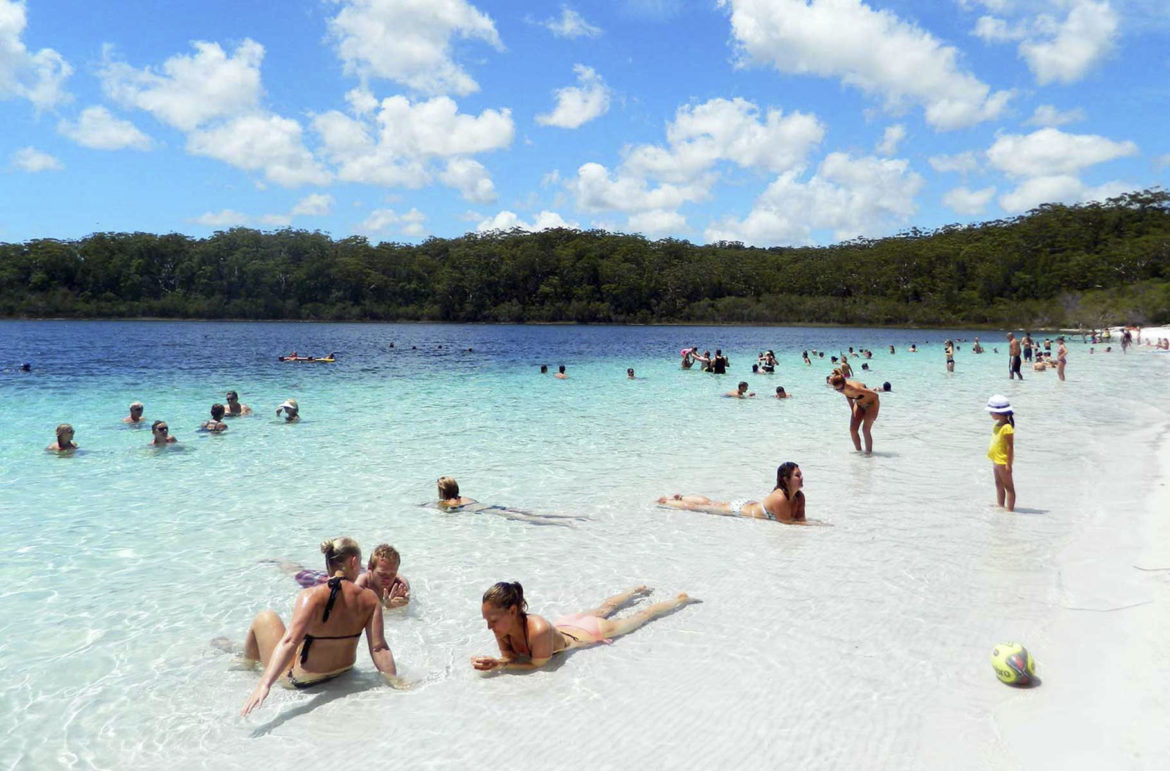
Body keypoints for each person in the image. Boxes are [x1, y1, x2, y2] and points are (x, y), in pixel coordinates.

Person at [240, 537, 398, 715]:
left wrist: (264, 684)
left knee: (265, 617)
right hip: (344, 671)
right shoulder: (370, 598)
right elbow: (379, 648)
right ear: (354, 561)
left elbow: (289, 642)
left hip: (303, 680)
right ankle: (245, 657)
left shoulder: (311, 596)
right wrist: (394, 681)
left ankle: (246, 663)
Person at [471, 582, 695, 672]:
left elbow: (537, 665)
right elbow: (511, 657)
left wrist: (500, 666)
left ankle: (680, 601)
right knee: (605, 605)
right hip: (565, 624)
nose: (489, 627)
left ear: (512, 611)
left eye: (493, 620)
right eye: (486, 621)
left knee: (643, 616)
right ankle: (635, 591)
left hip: (590, 632)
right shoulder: (504, 627)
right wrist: (499, 661)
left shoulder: (538, 629)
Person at [656, 462, 809, 524]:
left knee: (711, 503)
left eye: (801, 474)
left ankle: (682, 497)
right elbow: (788, 523)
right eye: (797, 475)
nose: (801, 478)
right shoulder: (779, 497)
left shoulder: (799, 496)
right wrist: (819, 526)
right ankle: (668, 502)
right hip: (740, 509)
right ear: (785, 479)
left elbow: (800, 519)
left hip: (749, 504)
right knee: (702, 508)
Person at [279, 543, 412, 609]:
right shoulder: (362, 582)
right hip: (341, 581)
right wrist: (384, 606)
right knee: (299, 574)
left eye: (392, 574)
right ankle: (279, 561)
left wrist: (403, 601)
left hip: (358, 571)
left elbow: (405, 596)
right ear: (370, 569)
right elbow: (353, 606)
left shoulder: (399, 584)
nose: (388, 579)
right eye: (382, 574)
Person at [432, 477, 583, 525]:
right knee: (526, 512)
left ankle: (563, 523)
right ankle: (572, 517)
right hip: (491, 506)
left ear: (443, 491)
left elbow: (446, 510)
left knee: (525, 518)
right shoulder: (463, 498)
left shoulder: (448, 503)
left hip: (488, 511)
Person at [828, 370, 880, 454]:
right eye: (837, 390)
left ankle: (868, 455)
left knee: (865, 429)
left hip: (871, 404)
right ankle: (859, 453)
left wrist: (874, 413)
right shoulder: (841, 388)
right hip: (859, 403)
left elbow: (876, 395)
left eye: (840, 389)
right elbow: (848, 395)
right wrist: (853, 410)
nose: (839, 391)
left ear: (844, 383)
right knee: (853, 429)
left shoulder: (856, 389)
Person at [986, 395, 1016, 512]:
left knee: (1009, 487)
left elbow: (1010, 447)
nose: (991, 415)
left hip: (1003, 460)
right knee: (998, 483)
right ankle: (1000, 505)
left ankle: (1010, 510)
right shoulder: (997, 425)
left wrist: (1009, 464)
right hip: (996, 459)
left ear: (1000, 413)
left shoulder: (1007, 427)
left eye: (992, 412)